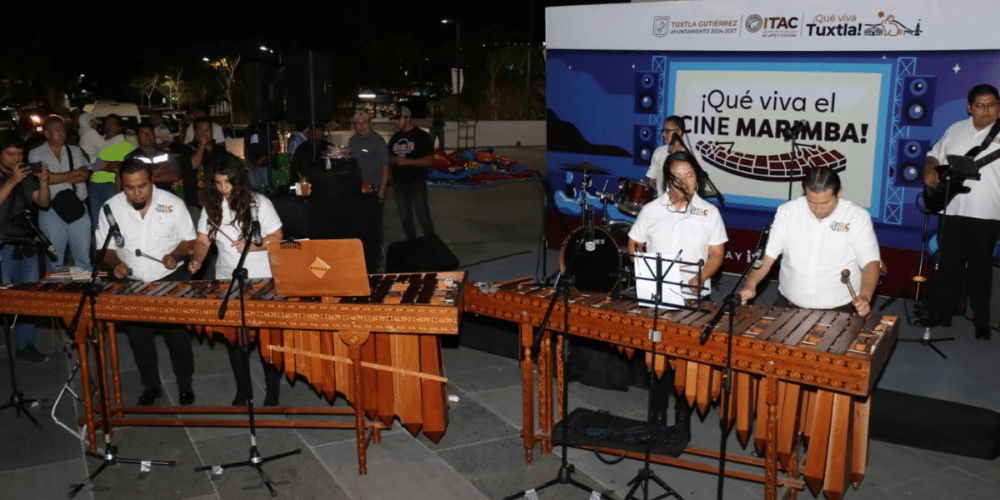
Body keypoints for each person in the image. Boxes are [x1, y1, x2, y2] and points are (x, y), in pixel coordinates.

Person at [627, 150, 727, 432]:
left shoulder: (710, 213)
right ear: (667, 180)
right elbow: (634, 240)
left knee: (686, 361)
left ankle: (682, 417)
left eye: (690, 175)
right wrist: (640, 265)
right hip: (658, 299)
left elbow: (717, 254)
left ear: (698, 178)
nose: (684, 181)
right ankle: (656, 415)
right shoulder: (651, 210)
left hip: (694, 299)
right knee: (658, 358)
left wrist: (701, 275)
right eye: (677, 176)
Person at [96, 159, 197, 406]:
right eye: (130, 187)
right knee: (140, 339)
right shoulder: (110, 208)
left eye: (142, 186)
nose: (137, 192)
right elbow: (105, 248)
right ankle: (151, 385)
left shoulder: (172, 203)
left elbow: (189, 240)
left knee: (178, 337)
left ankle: (185, 384)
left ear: (151, 181)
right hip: (133, 282)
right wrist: (114, 264)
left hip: (169, 279)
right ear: (122, 183)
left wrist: (176, 256)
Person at [189, 155, 283, 406]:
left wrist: (253, 245)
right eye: (218, 183)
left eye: (227, 183)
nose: (223, 189)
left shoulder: (259, 203)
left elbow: (277, 237)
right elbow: (202, 240)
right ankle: (244, 390)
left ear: (238, 180)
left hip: (263, 280)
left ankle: (272, 392)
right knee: (235, 338)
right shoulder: (212, 207)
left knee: (267, 340)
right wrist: (198, 259)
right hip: (227, 279)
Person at [739, 167, 881, 317]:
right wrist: (750, 284)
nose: (818, 209)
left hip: (840, 309)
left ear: (839, 192)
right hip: (787, 305)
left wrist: (865, 296)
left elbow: (870, 262)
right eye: (811, 202)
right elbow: (767, 257)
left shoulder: (857, 217)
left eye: (825, 203)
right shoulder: (787, 212)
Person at [922, 84, 1000, 340]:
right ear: (969, 107)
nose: (986, 111)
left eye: (992, 105)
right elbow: (934, 155)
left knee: (980, 270)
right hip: (951, 209)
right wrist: (930, 169)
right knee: (947, 266)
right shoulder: (955, 129)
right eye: (980, 105)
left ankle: (981, 322)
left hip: (988, 213)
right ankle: (941, 314)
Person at [0, 132, 51, 363]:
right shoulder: (10, 176)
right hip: (3, 243)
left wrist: (43, 182)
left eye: (20, 154)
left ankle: (25, 344)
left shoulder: (25, 173)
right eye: (10, 154)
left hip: (26, 241)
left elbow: (43, 202)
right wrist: (11, 181)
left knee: (28, 296)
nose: (16, 158)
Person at [28, 115, 91, 270]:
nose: (62, 133)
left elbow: (84, 175)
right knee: (55, 260)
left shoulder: (75, 150)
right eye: (57, 130)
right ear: (47, 133)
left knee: (83, 258)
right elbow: (45, 178)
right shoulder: (36, 153)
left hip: (78, 208)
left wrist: (54, 177)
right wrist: (72, 174)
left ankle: (83, 290)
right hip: (51, 212)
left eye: (63, 130)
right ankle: (57, 291)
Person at [388, 106, 435, 240]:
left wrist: (407, 161)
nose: (396, 122)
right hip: (398, 184)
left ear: (408, 118)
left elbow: (429, 161)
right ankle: (412, 244)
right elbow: (390, 156)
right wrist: (392, 160)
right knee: (405, 217)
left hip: (416, 182)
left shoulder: (422, 136)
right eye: (395, 120)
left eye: (399, 119)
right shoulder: (395, 138)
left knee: (423, 216)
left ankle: (431, 243)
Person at [349, 111, 390, 249]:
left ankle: (378, 251)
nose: (361, 126)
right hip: (357, 190)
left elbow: (386, 166)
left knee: (375, 222)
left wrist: (383, 190)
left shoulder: (377, 140)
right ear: (354, 126)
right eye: (358, 123)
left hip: (373, 190)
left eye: (364, 122)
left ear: (370, 123)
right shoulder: (352, 140)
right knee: (360, 222)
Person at [179, 116, 227, 223]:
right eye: (201, 129)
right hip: (197, 204)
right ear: (195, 132)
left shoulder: (219, 150)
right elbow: (193, 165)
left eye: (208, 129)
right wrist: (202, 146)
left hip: (218, 202)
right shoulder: (187, 148)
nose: (205, 132)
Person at [127, 121, 181, 194]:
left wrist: (147, 178)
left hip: (165, 193)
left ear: (154, 135)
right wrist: (161, 171)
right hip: (142, 195)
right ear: (137, 137)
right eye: (143, 133)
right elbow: (132, 179)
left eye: (150, 133)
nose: (147, 136)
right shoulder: (132, 157)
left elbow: (175, 176)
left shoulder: (165, 154)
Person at [646, 115, 686, 197]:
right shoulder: (659, 152)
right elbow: (651, 178)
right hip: (661, 204)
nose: (663, 134)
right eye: (663, 131)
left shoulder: (693, 155)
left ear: (679, 132)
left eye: (667, 131)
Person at [243, 121, 279, 190]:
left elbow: (276, 148)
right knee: (253, 192)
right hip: (253, 166)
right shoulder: (249, 129)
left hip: (267, 166)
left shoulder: (270, 128)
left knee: (268, 190)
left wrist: (262, 159)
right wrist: (250, 163)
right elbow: (245, 149)